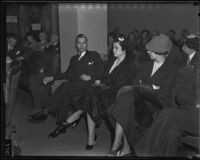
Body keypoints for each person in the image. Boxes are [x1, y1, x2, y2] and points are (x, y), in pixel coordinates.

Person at [47, 35, 136, 151]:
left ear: (124, 50)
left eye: (116, 48)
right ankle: (75, 126)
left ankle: (68, 121)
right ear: (76, 44)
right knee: (90, 96)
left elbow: (120, 84)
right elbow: (104, 76)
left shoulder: (126, 65)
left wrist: (93, 79)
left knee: (90, 95)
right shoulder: (112, 60)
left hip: (115, 94)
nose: (112, 50)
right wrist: (99, 82)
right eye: (113, 47)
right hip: (101, 90)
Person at [107, 34, 177, 156]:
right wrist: (151, 87)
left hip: (158, 105)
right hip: (141, 100)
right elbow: (136, 83)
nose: (148, 51)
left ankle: (120, 144)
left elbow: (163, 93)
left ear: (159, 52)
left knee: (126, 101)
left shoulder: (171, 69)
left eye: (150, 50)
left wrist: (144, 87)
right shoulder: (147, 65)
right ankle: (120, 144)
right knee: (126, 99)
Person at [134, 47, 199, 156]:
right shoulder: (198, 70)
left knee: (167, 113)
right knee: (171, 132)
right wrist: (196, 102)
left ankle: (141, 152)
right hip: (191, 115)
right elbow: (181, 95)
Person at [28, 34, 104, 124]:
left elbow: (102, 71)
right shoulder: (74, 59)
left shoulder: (93, 55)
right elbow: (67, 74)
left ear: (87, 44)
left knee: (65, 86)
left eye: (84, 43)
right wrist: (52, 77)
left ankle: (45, 111)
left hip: (88, 86)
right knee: (64, 97)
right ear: (76, 45)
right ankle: (61, 123)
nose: (82, 45)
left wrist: (91, 77)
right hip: (74, 86)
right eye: (79, 43)